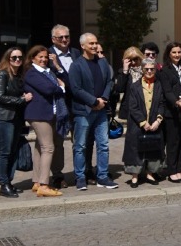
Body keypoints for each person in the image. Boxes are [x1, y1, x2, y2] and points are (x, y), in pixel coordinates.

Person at [67, 33, 118, 191]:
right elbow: (75, 89)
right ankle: (80, 177)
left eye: (96, 43)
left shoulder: (102, 62)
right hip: (83, 112)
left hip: (101, 111)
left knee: (103, 145)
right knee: (80, 146)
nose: (95, 46)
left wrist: (103, 99)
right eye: (91, 44)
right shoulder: (76, 65)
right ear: (83, 46)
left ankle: (102, 176)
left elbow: (109, 81)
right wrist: (93, 101)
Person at [22, 44, 65, 197]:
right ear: (33, 58)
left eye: (46, 57)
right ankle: (44, 185)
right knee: (48, 148)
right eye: (40, 57)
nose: (44, 59)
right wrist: (60, 87)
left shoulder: (48, 71)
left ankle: (36, 182)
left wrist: (57, 72)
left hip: (49, 113)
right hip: (39, 114)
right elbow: (48, 89)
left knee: (40, 148)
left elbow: (59, 81)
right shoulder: (32, 73)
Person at [0, 47, 32, 197]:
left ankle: (8, 181)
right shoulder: (2, 75)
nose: (18, 60)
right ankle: (3, 184)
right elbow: (0, 97)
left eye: (20, 57)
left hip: (15, 119)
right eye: (14, 58)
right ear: (8, 59)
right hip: (2, 118)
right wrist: (21, 99)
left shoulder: (19, 76)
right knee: (4, 152)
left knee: (12, 152)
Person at [123, 57, 166, 187]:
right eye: (146, 69)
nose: (149, 71)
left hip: (154, 123)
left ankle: (150, 173)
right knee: (135, 149)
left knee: (152, 148)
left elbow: (161, 104)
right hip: (137, 124)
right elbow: (133, 106)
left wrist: (158, 120)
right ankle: (135, 175)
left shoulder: (159, 85)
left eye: (151, 69)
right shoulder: (135, 86)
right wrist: (143, 122)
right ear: (142, 70)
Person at [47, 24, 75, 189]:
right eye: (60, 37)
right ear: (53, 39)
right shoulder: (46, 56)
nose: (64, 40)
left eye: (67, 37)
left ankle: (84, 172)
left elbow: (75, 82)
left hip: (77, 104)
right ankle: (57, 176)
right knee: (57, 142)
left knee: (80, 141)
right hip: (58, 105)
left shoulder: (77, 54)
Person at [159, 42, 181, 183]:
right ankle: (171, 170)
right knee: (172, 142)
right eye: (174, 52)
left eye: (179, 52)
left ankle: (178, 169)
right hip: (171, 112)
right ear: (169, 54)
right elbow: (167, 91)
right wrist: (176, 102)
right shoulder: (165, 70)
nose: (177, 55)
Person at [110, 46, 144, 118]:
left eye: (135, 59)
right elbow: (120, 89)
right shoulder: (123, 72)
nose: (133, 62)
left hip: (144, 107)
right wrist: (125, 71)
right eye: (130, 60)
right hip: (129, 109)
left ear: (140, 58)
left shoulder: (146, 71)